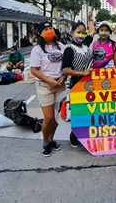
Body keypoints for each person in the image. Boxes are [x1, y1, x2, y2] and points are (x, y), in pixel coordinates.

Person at [30, 24, 65, 157]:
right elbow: (33, 70)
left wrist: (63, 76)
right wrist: (49, 80)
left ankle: (51, 139)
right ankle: (45, 142)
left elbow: (66, 64)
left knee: (57, 118)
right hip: (45, 86)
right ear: (40, 33)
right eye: (45, 29)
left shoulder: (61, 46)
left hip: (60, 85)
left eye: (50, 28)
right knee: (48, 118)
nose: (49, 31)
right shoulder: (37, 49)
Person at [62, 11, 95, 148]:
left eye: (83, 32)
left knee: (87, 109)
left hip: (89, 83)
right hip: (76, 82)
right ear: (72, 33)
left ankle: (84, 133)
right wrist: (81, 73)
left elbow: (92, 31)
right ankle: (73, 135)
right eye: (78, 32)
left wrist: (89, 19)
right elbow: (65, 70)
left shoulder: (86, 44)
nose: (81, 35)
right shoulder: (69, 49)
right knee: (77, 111)